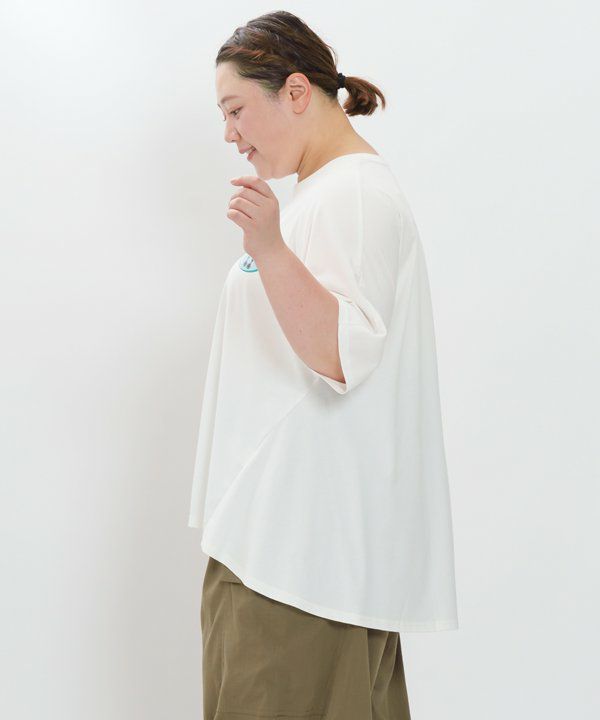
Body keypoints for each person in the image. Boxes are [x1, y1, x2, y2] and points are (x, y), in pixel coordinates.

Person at [189, 10, 459, 720]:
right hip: (290, 555)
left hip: (295, 565)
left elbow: (341, 352)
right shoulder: (327, 194)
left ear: (296, 91)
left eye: (236, 109)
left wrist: (269, 248)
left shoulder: (353, 195)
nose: (230, 134)